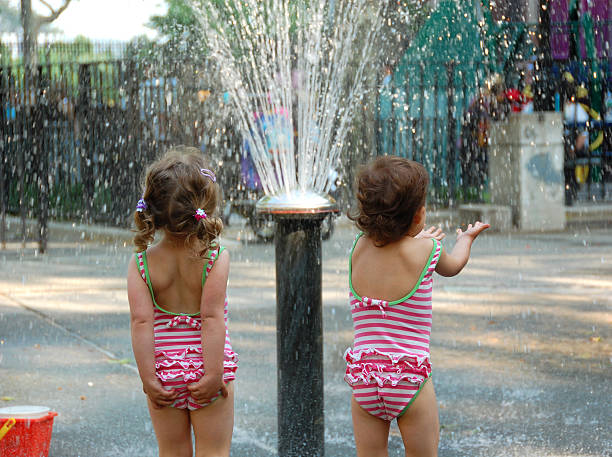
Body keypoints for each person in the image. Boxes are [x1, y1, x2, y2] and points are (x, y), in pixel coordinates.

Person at [344, 156, 489, 457]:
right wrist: (465, 239)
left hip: (365, 379)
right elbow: (453, 266)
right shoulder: (428, 250)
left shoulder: (358, 247)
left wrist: (415, 238)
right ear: (416, 216)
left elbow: (392, 246)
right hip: (408, 379)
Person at [127, 146, 238, 457]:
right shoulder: (214, 257)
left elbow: (141, 322)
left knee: (172, 451)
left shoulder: (142, 264)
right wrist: (214, 374)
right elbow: (212, 318)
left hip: (164, 373)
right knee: (214, 451)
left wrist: (148, 377)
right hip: (207, 368)